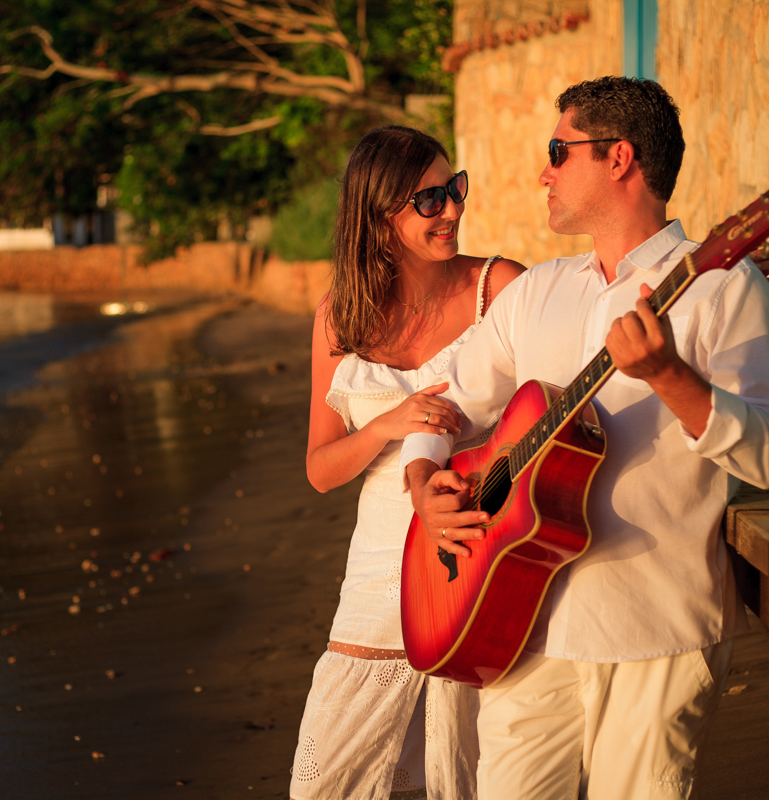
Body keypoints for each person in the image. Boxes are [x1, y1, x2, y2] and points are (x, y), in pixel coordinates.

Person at [400, 77, 769, 799]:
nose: (542, 171)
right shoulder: (538, 292)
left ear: (619, 158)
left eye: (559, 150)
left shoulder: (724, 289)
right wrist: (426, 485)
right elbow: (447, 403)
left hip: (656, 630)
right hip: (519, 624)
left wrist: (671, 375)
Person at [289, 125, 525, 800]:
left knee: (474, 772)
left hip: (480, 553)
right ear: (379, 215)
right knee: (327, 782)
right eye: (429, 199)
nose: (452, 209)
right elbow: (321, 468)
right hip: (379, 571)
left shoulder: (499, 288)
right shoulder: (341, 318)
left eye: (455, 189)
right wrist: (388, 426)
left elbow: (574, 369)